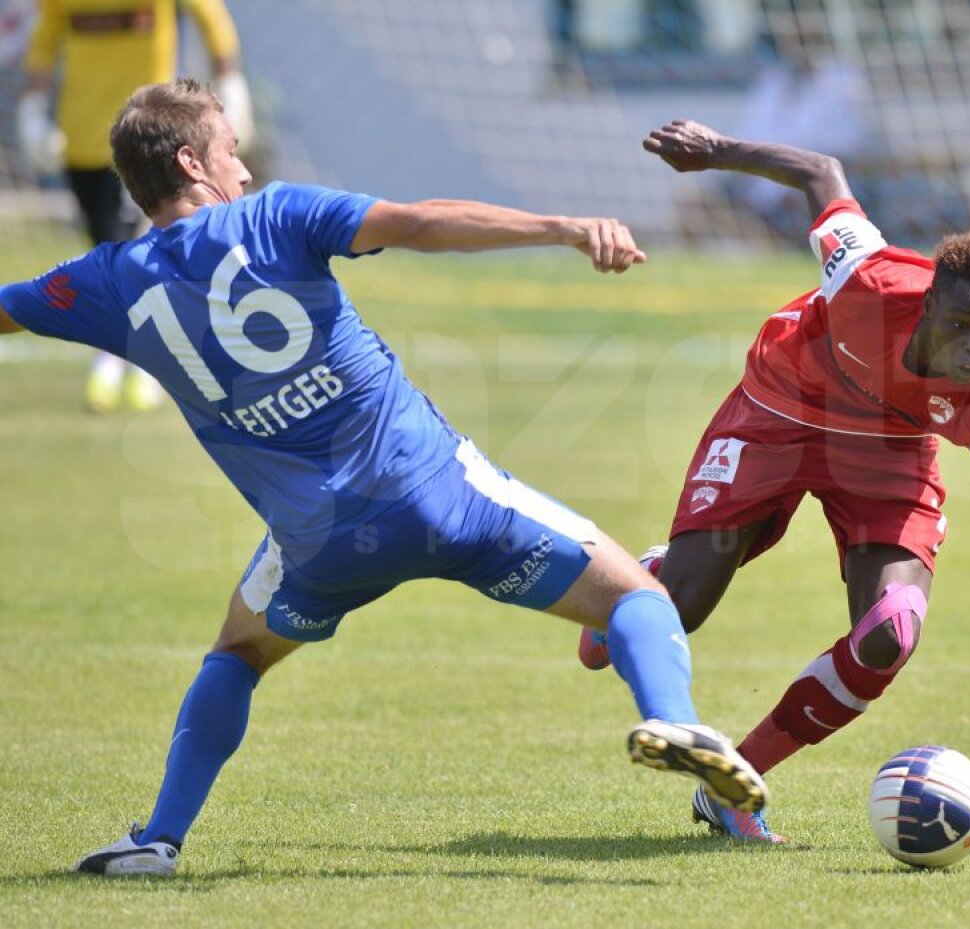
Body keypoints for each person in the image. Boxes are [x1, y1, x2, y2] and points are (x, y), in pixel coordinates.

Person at [0, 83, 767, 877]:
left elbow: (6, 308)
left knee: (238, 648)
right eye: (232, 152)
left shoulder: (107, 281)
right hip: (441, 497)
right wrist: (562, 228)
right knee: (634, 594)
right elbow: (423, 220)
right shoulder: (277, 215)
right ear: (193, 162)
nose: (247, 172)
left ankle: (158, 839)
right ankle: (678, 722)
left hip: (319, 549)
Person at [578, 119, 970, 847]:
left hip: (891, 453)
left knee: (890, 632)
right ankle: (649, 576)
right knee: (680, 605)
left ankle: (732, 783)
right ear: (930, 303)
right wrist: (716, 153)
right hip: (779, 406)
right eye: (963, 323)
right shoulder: (866, 277)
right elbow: (821, 170)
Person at [16, 0, 253, 413]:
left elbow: (212, 18)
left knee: (129, 248)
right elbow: (45, 37)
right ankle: (130, 351)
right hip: (82, 136)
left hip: (145, 141)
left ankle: (132, 359)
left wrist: (231, 81)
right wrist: (34, 107)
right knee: (104, 245)